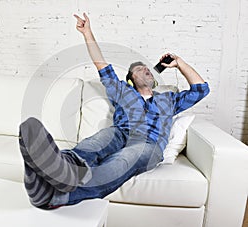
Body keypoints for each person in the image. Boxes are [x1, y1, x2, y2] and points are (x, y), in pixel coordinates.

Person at [19, 13, 210, 209]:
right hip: (120, 133)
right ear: (131, 78)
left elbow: (202, 89)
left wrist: (179, 62)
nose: (146, 70)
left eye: (148, 69)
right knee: (95, 142)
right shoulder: (122, 91)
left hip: (149, 142)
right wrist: (87, 34)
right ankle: (62, 166)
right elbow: (101, 65)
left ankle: (55, 196)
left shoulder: (168, 99)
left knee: (123, 160)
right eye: (139, 69)